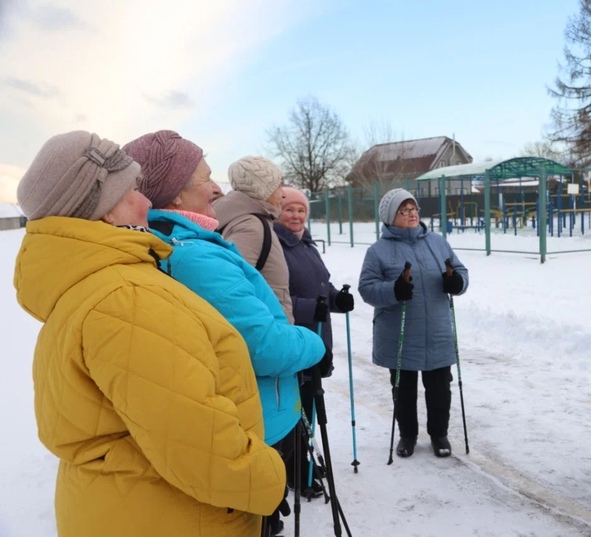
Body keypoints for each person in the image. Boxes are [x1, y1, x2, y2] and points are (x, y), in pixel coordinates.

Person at [13, 131, 286, 537]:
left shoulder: (94, 285)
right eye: (133, 190)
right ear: (105, 209)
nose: (146, 202)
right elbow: (203, 447)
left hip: (127, 508)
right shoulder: (127, 299)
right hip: (171, 516)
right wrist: (267, 479)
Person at [123, 130, 326, 536]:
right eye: (206, 177)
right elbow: (261, 344)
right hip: (257, 411)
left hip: (256, 404)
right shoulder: (201, 253)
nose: (217, 188)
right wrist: (312, 340)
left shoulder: (196, 243)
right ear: (175, 194)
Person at [358, 188, 468, 458]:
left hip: (437, 331)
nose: (411, 214)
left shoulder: (437, 242)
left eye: (414, 209)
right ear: (389, 217)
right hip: (400, 334)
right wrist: (394, 291)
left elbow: (460, 270)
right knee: (404, 390)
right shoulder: (378, 251)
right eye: (404, 210)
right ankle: (407, 435)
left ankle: (439, 434)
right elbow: (367, 288)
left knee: (440, 388)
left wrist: (457, 282)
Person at [275, 185, 355, 495]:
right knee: (297, 406)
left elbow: (323, 287)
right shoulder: (277, 247)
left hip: (317, 337)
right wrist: (312, 306)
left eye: (301, 210)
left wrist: (337, 299)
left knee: (309, 401)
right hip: (296, 338)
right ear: (278, 213)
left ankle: (302, 459)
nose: (296, 215)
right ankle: (295, 469)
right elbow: (274, 297)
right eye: (289, 209)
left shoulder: (307, 245)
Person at [214, 156, 294, 322]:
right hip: (268, 332)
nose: (284, 193)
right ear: (263, 189)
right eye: (279, 185)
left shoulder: (253, 221)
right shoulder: (251, 226)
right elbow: (233, 288)